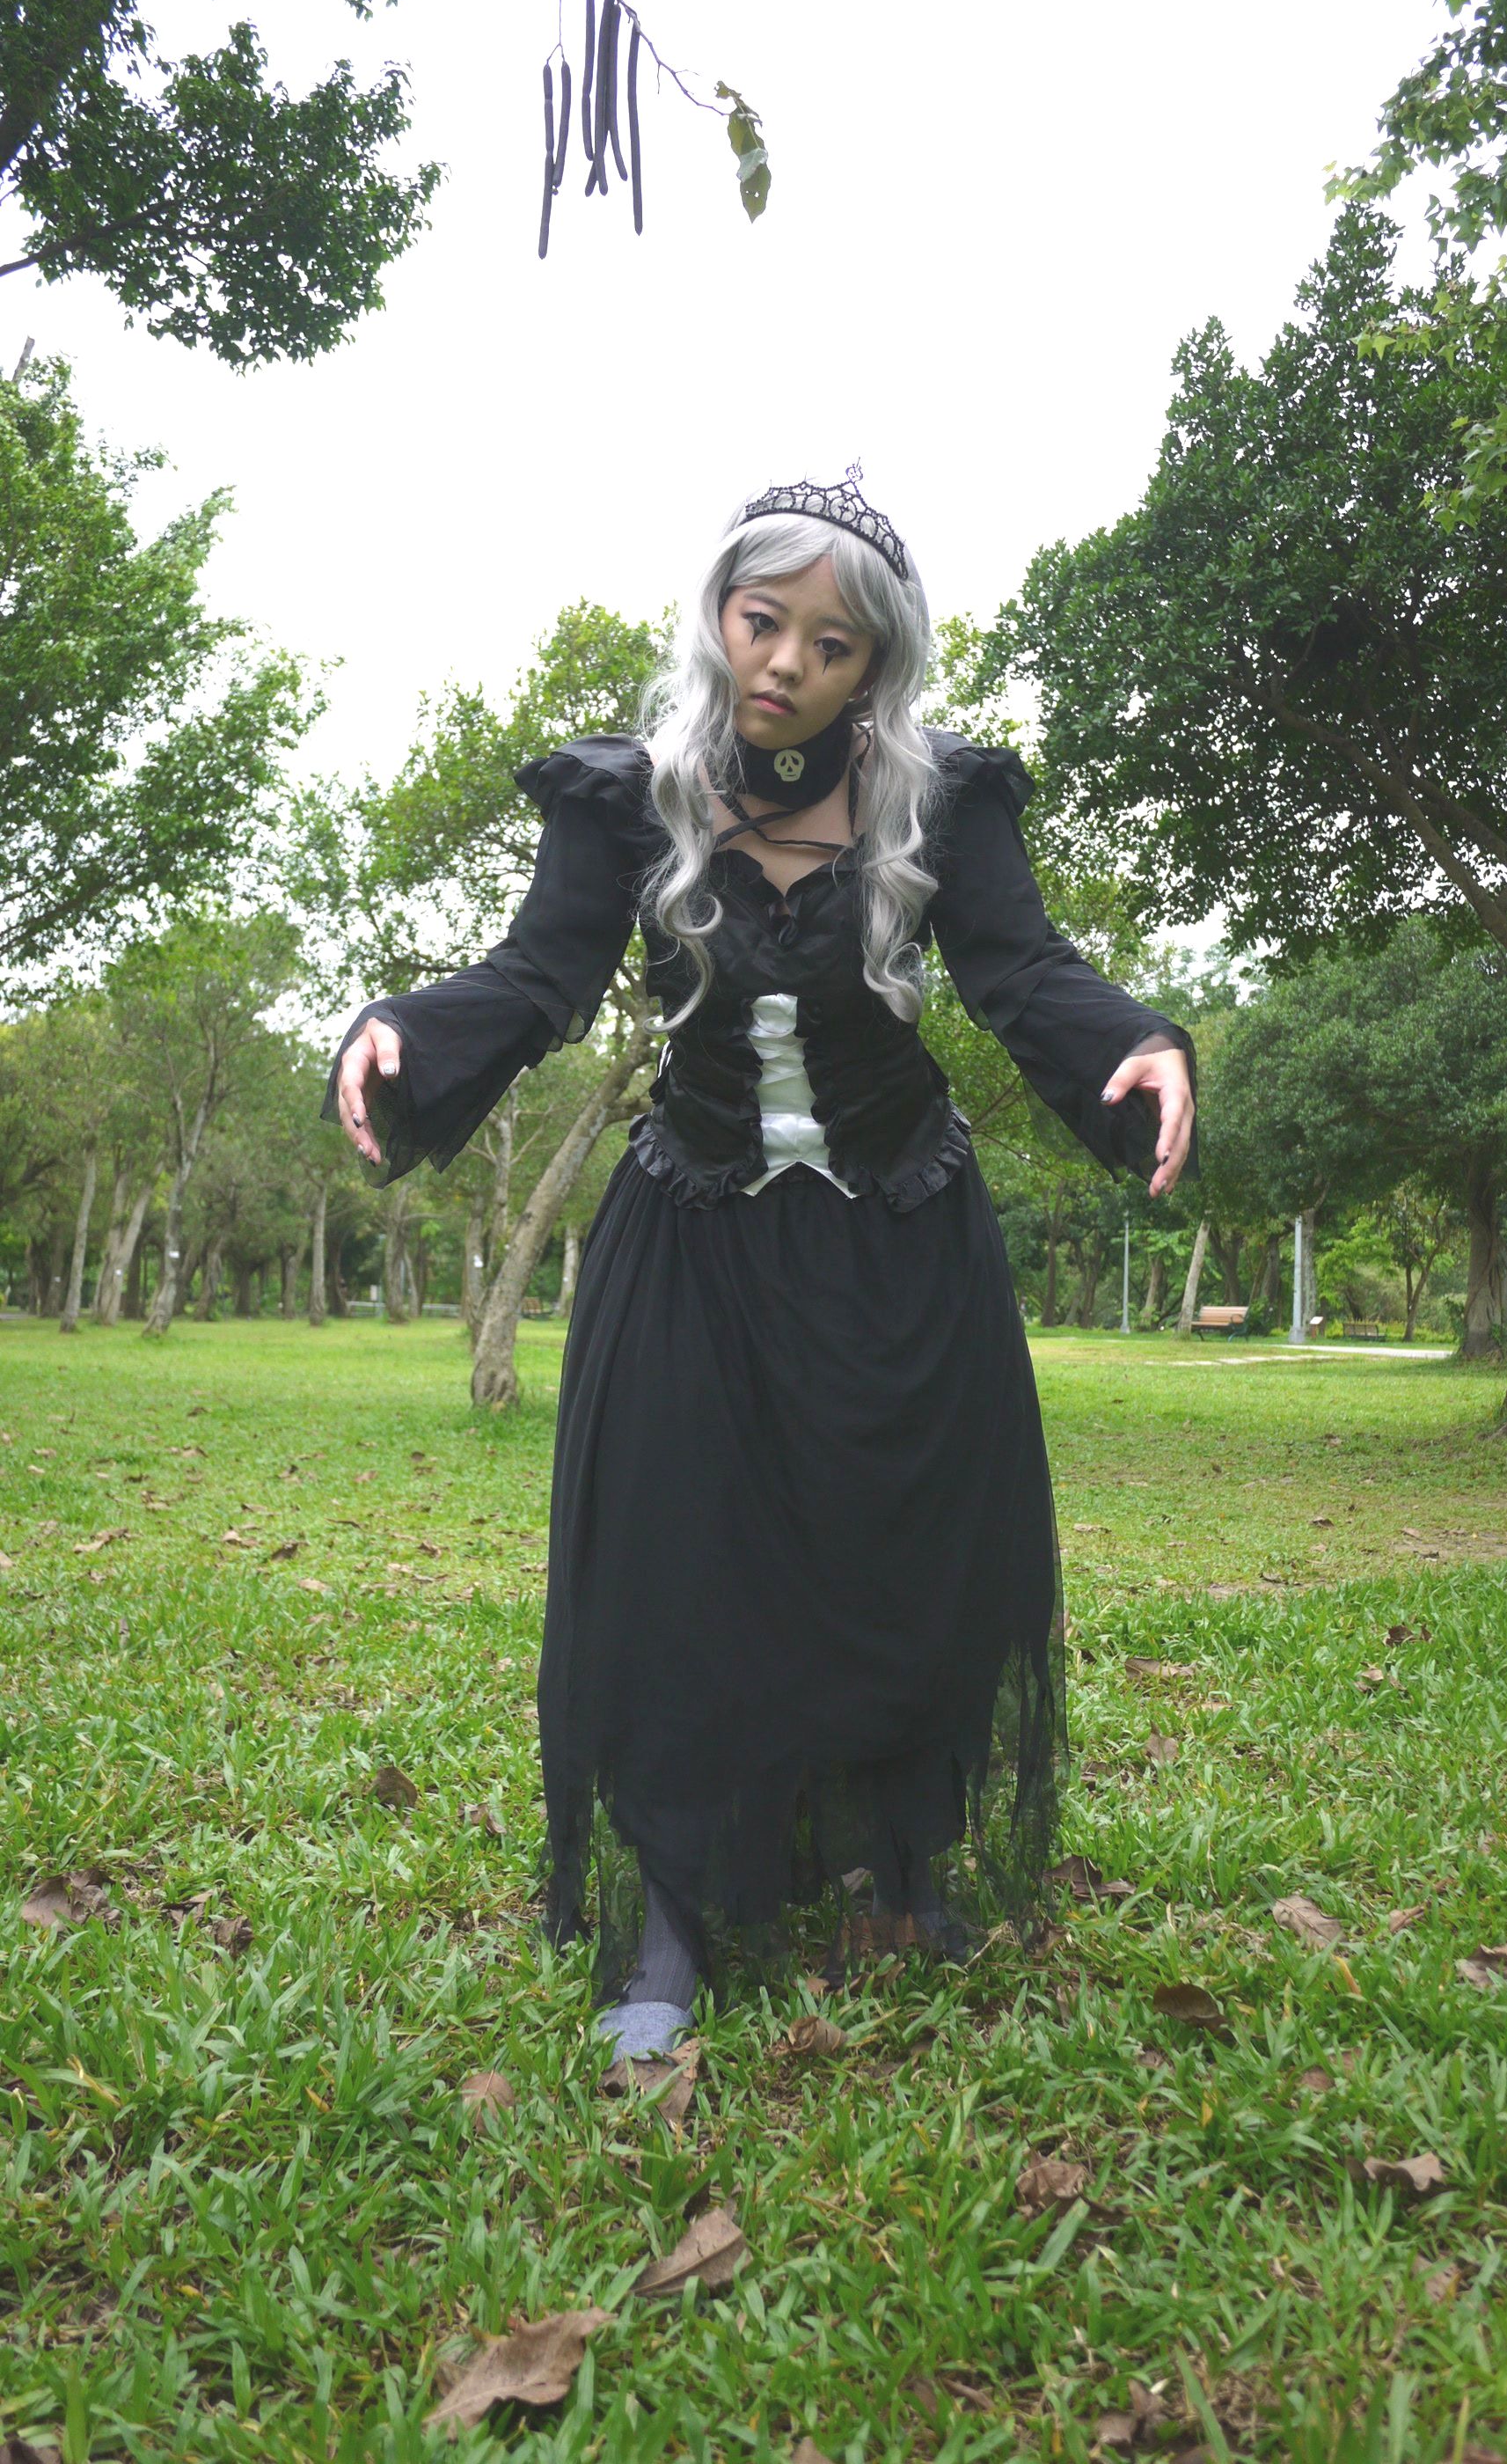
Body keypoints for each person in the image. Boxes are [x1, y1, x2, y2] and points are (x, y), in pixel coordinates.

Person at [325, 474, 1196, 2063]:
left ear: (876, 669)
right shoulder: (628, 797)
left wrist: (1135, 1043)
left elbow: (1021, 972)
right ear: (719, 614)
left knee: (897, 1550)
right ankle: (673, 1912)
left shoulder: (941, 801)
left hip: (897, 1231)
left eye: (833, 643)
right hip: (697, 1230)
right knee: (678, 1564)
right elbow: (537, 975)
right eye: (763, 619)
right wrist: (405, 1033)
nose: (788, 660)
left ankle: (891, 1858)